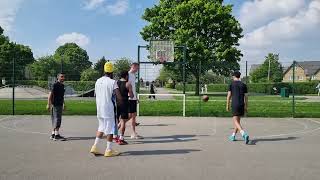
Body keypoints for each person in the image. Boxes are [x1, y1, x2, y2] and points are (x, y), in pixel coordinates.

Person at [90, 62, 122, 157]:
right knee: (110, 130)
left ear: (104, 70)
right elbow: (119, 97)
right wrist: (121, 106)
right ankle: (108, 150)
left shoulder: (98, 81)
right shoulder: (113, 82)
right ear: (112, 72)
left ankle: (94, 146)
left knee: (101, 127)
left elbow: (95, 94)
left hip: (99, 109)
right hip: (108, 109)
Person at [226, 71, 250, 144]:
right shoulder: (243, 85)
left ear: (233, 76)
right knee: (238, 122)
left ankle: (244, 134)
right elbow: (246, 97)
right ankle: (233, 136)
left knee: (235, 121)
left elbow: (229, 96)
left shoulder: (231, 84)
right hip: (241, 104)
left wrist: (227, 105)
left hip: (235, 104)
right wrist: (246, 106)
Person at [47, 73, 66, 141]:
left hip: (60, 104)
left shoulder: (62, 86)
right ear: (58, 77)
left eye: (63, 77)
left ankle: (53, 134)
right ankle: (56, 135)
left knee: (55, 119)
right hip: (55, 105)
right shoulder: (55, 85)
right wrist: (48, 104)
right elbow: (50, 94)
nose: (63, 78)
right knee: (57, 119)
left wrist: (64, 104)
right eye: (61, 77)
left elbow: (62, 96)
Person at [116, 71, 134, 145]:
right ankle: (121, 138)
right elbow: (132, 95)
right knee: (123, 121)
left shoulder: (116, 83)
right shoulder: (128, 84)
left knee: (116, 120)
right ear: (126, 76)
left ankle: (114, 136)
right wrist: (130, 93)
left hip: (116, 103)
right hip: (124, 103)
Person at [128, 63, 143, 139]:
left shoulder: (133, 76)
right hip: (129, 99)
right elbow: (127, 87)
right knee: (130, 116)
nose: (137, 70)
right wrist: (130, 95)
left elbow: (133, 88)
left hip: (133, 99)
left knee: (133, 116)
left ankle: (133, 133)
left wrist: (136, 97)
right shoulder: (128, 75)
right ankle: (116, 129)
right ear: (133, 67)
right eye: (137, 68)